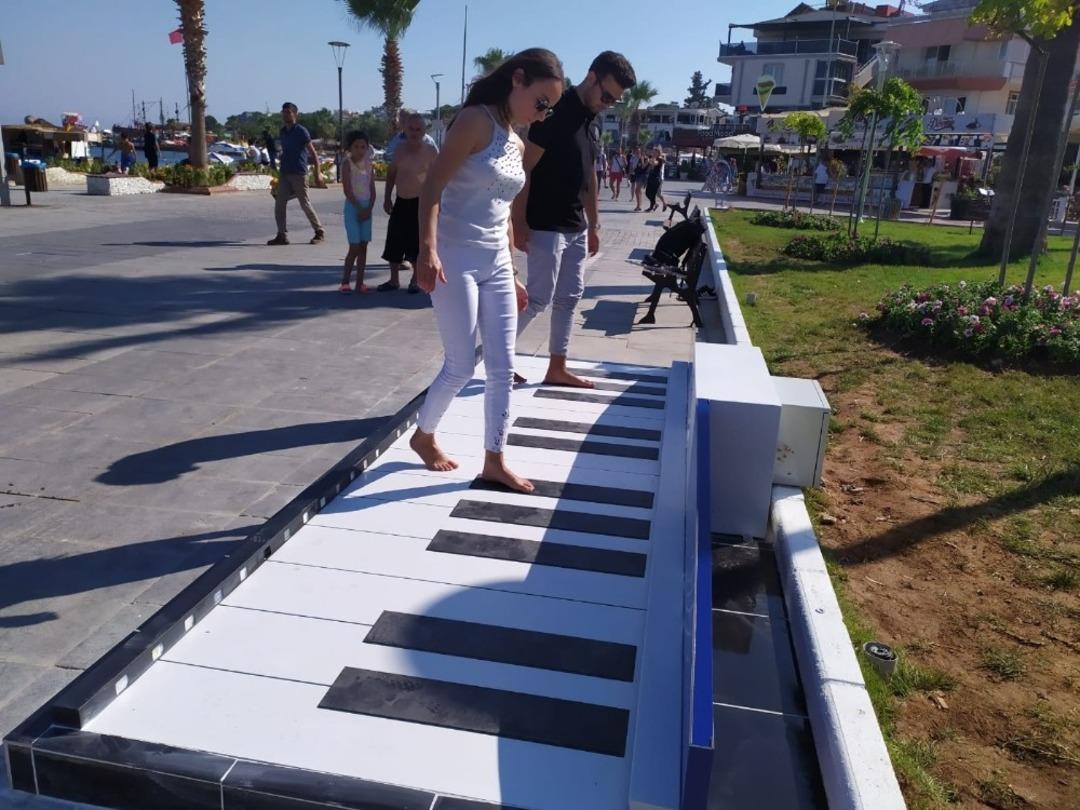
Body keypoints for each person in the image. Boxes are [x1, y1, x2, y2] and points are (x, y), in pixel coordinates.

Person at [410, 48, 566, 493]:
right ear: (517, 80)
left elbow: (500, 213)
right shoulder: (475, 121)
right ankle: (424, 435)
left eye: (549, 107)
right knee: (460, 365)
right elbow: (432, 187)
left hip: (496, 260)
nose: (543, 113)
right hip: (454, 258)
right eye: (540, 101)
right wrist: (427, 250)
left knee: (502, 366)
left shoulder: (516, 140)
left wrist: (513, 271)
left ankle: (494, 459)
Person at [511, 51, 637, 388]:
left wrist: (594, 225)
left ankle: (557, 367)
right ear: (592, 77)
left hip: (576, 225)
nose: (608, 103)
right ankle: (498, 356)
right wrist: (519, 222)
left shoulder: (590, 119)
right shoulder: (555, 112)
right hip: (545, 222)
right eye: (607, 95)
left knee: (569, 298)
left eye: (615, 100)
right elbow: (525, 169)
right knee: (538, 297)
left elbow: (590, 178)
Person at [380, 113, 438, 293]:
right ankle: (394, 280)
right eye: (411, 129)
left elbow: (439, 178)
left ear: (424, 130)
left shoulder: (430, 151)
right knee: (394, 240)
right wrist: (387, 196)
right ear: (405, 129)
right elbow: (391, 174)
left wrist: (439, 203)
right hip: (400, 200)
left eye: (418, 129)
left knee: (416, 244)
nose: (414, 132)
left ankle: (415, 280)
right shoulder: (399, 149)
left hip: (421, 203)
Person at [268, 102, 327, 246]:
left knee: (304, 203)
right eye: (284, 112)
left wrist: (317, 172)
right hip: (285, 172)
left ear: (295, 114)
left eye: (289, 112)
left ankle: (319, 231)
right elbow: (286, 150)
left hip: (299, 173)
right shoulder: (283, 131)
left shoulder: (301, 131)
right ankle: (282, 235)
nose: (286, 114)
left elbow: (313, 153)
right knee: (279, 204)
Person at [339, 131, 377, 294]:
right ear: (350, 147)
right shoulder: (347, 164)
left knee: (363, 246)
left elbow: (372, 190)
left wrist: (368, 209)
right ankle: (345, 281)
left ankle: (360, 282)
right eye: (356, 146)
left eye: (363, 147)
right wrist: (359, 209)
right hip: (353, 208)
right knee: (354, 246)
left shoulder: (369, 165)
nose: (360, 150)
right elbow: (347, 190)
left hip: (367, 208)